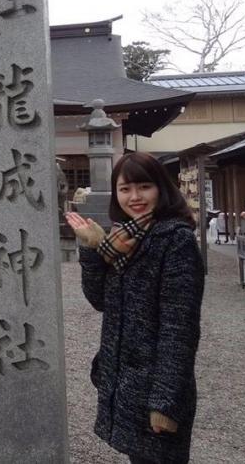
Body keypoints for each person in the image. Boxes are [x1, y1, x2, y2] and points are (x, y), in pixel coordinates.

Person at [65, 152, 204, 464]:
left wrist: (165, 402)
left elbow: (179, 329)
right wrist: (92, 250)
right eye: (125, 189)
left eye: (144, 187)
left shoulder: (175, 241)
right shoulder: (124, 237)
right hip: (127, 383)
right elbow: (100, 300)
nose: (135, 197)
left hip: (156, 387)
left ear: (161, 189)